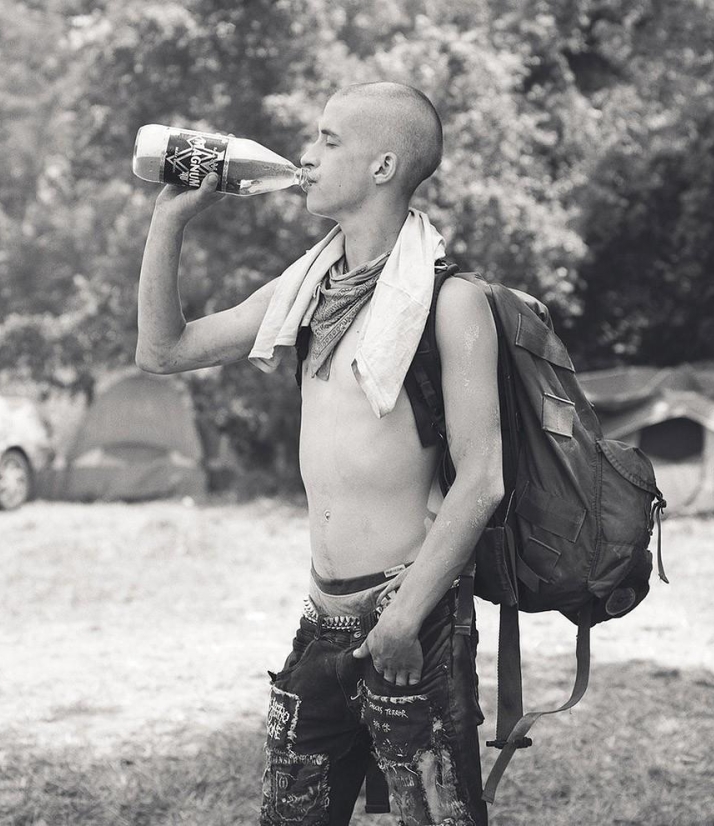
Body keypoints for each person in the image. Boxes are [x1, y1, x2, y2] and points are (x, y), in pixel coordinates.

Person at [136, 81, 503, 825]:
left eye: (329, 140)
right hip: (321, 619)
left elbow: (482, 482)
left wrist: (401, 618)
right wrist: (167, 223)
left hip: (414, 620)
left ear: (383, 166)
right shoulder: (309, 287)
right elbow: (163, 351)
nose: (305, 154)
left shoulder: (450, 301)